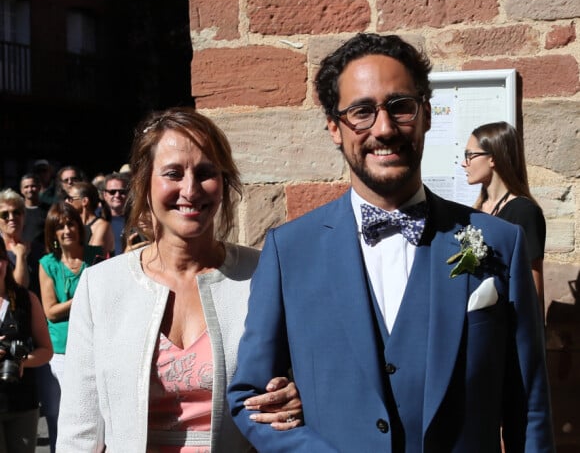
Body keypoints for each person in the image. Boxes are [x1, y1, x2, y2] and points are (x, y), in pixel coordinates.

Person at [228, 33, 554, 452]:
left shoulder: (501, 242)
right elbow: (249, 397)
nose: (384, 128)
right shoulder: (288, 251)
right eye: (361, 112)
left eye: (400, 107)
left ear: (426, 115)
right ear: (334, 127)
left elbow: (529, 404)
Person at [57, 107, 302, 452]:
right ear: (145, 182)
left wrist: (297, 396)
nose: (190, 189)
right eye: (173, 173)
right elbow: (79, 429)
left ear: (223, 182)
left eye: (205, 172)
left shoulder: (261, 275)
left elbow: (307, 382)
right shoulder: (101, 286)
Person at [37, 203, 104, 453]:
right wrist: (82, 299)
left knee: (95, 414)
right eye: (60, 226)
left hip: (94, 345)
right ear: (52, 233)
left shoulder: (96, 256)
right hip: (60, 351)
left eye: (71, 223)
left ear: (79, 225)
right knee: (61, 416)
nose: (67, 230)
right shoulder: (48, 264)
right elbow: (50, 312)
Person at [463, 121, 547, 314]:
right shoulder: (475, 210)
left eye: (470, 155)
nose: (463, 162)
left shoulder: (524, 211)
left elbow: (532, 289)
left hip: (505, 327)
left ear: (492, 158)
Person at [0, 236, 53, 453]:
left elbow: (46, 350)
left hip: (22, 402)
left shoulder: (26, 299)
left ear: (6, 261)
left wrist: (22, 361)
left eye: (0, 258)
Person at [65, 181, 115, 256]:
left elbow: (92, 256)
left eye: (70, 199)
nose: (66, 201)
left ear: (84, 201)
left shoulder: (101, 226)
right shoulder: (71, 225)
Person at [20, 174, 48, 296]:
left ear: (39, 187)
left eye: (33, 186)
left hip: (42, 261)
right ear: (21, 190)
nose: (30, 189)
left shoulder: (48, 210)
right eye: (26, 187)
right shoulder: (17, 212)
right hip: (21, 259)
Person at [0, 189, 30, 288]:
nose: (11, 217)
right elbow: (19, 289)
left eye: (16, 212)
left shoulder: (38, 248)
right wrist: (21, 256)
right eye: (4, 215)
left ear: (23, 216)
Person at [102, 172, 129, 255]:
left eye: (122, 192)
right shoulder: (97, 219)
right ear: (104, 195)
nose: (117, 195)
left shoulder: (137, 220)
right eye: (112, 192)